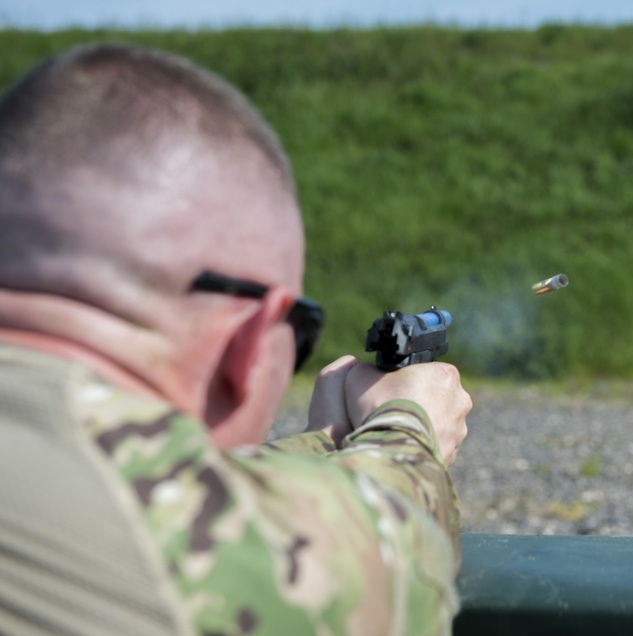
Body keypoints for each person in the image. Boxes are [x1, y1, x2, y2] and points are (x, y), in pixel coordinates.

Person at [0, 42, 471, 635]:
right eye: (297, 333)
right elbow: (390, 554)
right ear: (249, 341)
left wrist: (323, 441)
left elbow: (168, 480)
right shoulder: (157, 546)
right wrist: (408, 426)